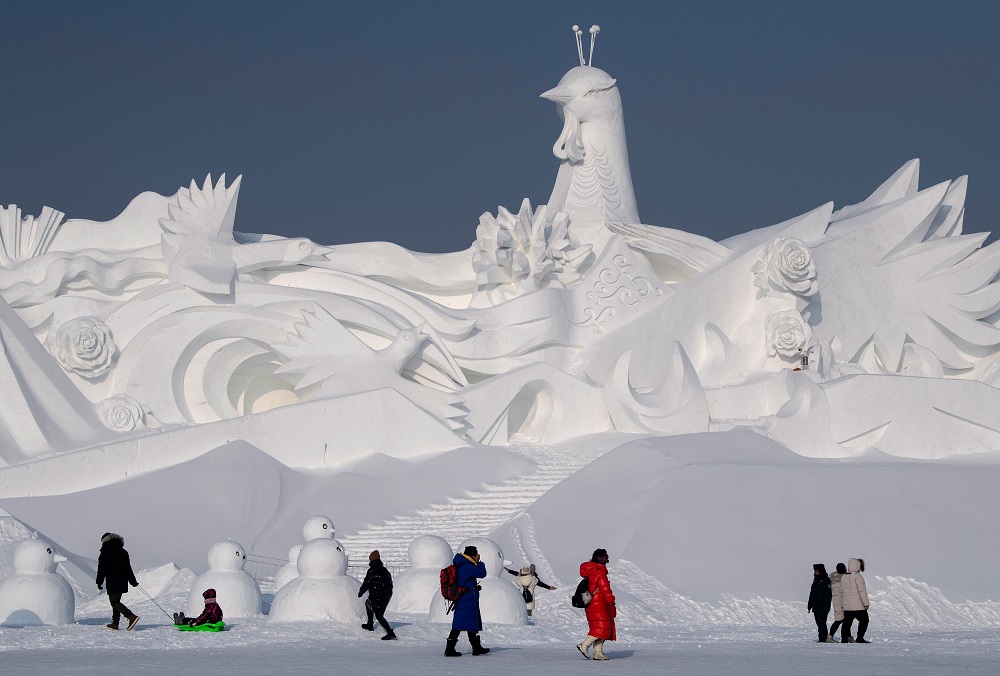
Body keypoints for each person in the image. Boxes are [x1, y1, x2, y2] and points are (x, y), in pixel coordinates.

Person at [444, 545, 490, 657]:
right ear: (473, 555)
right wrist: (480, 562)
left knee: (470, 622)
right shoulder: (467, 566)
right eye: (476, 555)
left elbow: (467, 581)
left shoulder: (462, 564)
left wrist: (474, 587)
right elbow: (482, 573)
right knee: (460, 623)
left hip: (467, 597)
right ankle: (450, 649)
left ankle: (476, 647)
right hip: (466, 599)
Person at [577, 548, 616, 661]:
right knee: (601, 627)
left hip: (592, 603)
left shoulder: (592, 571)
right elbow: (605, 589)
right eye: (605, 556)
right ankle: (584, 645)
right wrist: (611, 601)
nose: (608, 557)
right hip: (599, 604)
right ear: (601, 558)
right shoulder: (599, 572)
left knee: (599, 627)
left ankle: (598, 653)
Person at [95, 532, 140, 631]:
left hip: (112, 579)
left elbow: (102, 567)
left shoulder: (106, 550)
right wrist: (133, 581)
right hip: (122, 580)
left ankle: (131, 616)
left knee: (114, 602)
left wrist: (99, 581)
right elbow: (128, 568)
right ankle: (115, 623)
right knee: (116, 601)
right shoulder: (123, 551)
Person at [359, 550, 396, 640]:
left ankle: (390, 633)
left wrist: (361, 592)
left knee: (379, 615)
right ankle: (370, 624)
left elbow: (366, 583)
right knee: (368, 604)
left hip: (378, 595)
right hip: (386, 595)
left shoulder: (372, 570)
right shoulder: (384, 570)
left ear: (371, 560)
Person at [841, 558, 870, 643]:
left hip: (847, 605)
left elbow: (841, 591)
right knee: (864, 620)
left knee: (847, 622)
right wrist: (866, 603)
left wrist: (843, 604)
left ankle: (844, 638)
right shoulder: (858, 577)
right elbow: (862, 591)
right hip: (858, 606)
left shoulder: (844, 577)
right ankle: (860, 637)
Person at [807, 563, 833, 642]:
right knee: (819, 622)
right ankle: (822, 637)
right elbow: (812, 593)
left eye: (816, 571)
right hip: (816, 605)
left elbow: (828, 594)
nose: (815, 572)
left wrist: (826, 605)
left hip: (822, 605)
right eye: (814, 571)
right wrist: (810, 604)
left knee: (822, 622)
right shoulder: (815, 581)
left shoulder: (826, 580)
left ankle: (823, 637)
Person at [829, 562, 849, 642]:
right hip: (843, 603)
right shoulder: (843, 580)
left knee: (843, 620)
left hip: (836, 603)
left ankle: (847, 636)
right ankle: (831, 636)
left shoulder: (833, 580)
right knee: (841, 620)